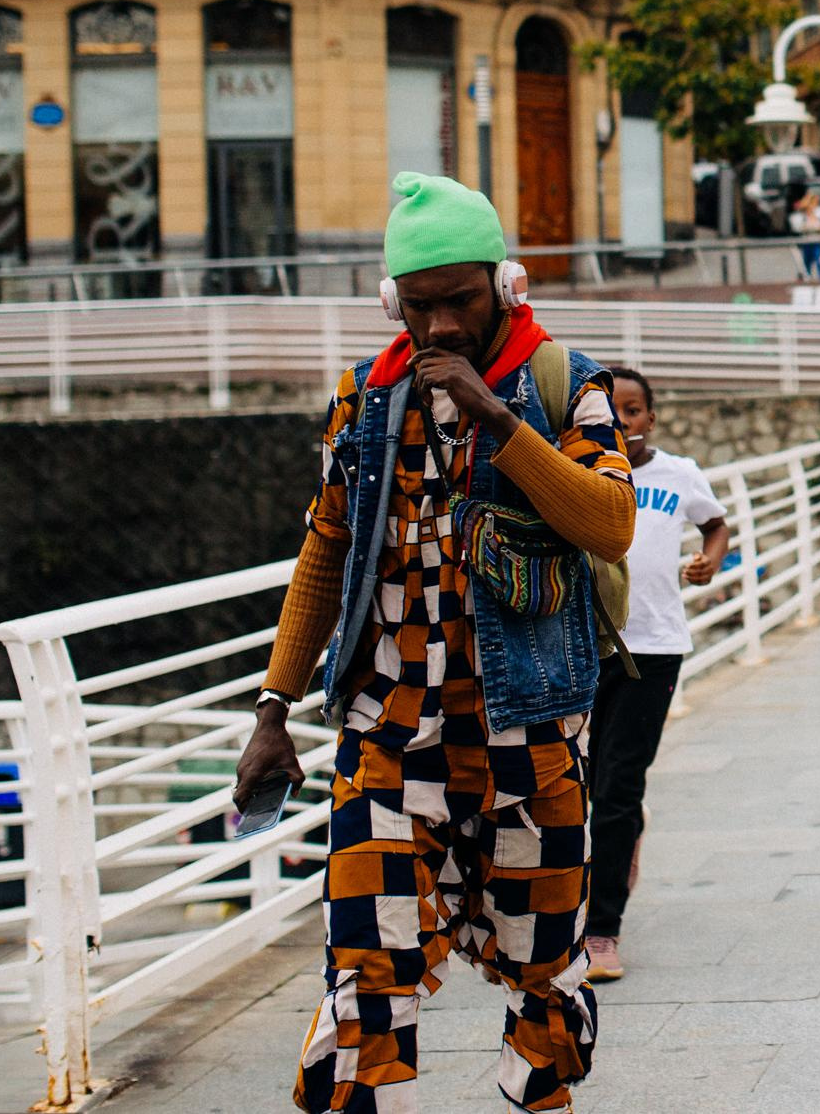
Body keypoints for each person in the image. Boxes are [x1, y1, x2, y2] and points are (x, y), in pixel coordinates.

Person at [233, 171, 635, 1114]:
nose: (442, 327)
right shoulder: (365, 402)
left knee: (543, 971)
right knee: (363, 971)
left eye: (461, 301)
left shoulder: (566, 386)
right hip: (385, 733)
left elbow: (610, 522)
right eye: (421, 308)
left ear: (506, 286)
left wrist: (499, 419)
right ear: (392, 302)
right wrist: (271, 708)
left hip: (528, 734)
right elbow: (324, 553)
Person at [584, 366, 731, 984]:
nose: (624, 421)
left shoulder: (678, 475)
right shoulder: (581, 475)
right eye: (612, 411)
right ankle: (622, 843)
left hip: (655, 647)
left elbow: (716, 523)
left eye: (636, 410)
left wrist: (709, 561)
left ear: (651, 417)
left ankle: (600, 931)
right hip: (586, 646)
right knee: (583, 781)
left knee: (618, 785)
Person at [790, 190, 820, 281]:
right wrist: (807, 198)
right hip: (807, 240)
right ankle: (808, 278)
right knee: (807, 261)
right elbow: (798, 227)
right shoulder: (802, 215)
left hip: (817, 240)